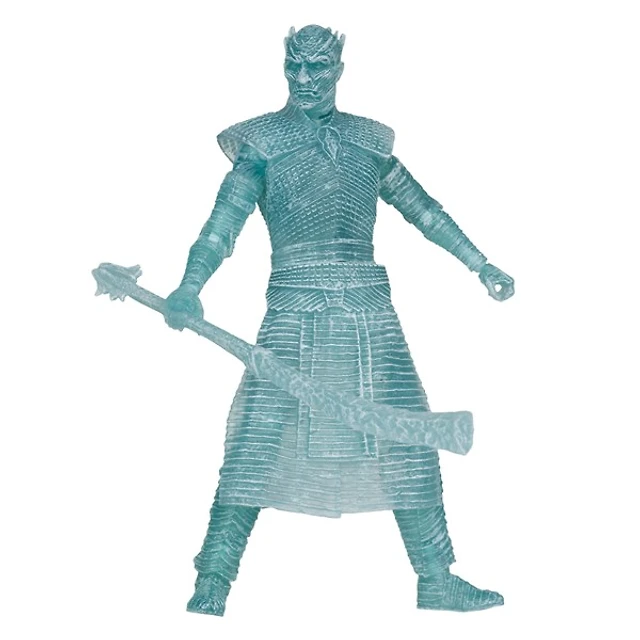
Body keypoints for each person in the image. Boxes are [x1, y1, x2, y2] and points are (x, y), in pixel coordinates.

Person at [164, 24, 514, 615]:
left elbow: (423, 210)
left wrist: (481, 264)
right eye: (295, 67)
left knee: (408, 438)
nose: (305, 79)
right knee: (255, 442)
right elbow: (222, 225)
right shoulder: (262, 143)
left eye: (318, 67)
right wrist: (190, 285)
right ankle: (214, 581)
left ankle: (436, 578)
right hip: (294, 309)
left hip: (370, 313)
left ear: (339, 70)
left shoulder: (367, 142)